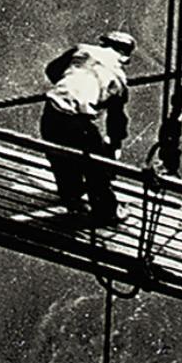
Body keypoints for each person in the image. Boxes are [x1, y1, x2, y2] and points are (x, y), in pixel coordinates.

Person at [39, 28, 135, 227]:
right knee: (97, 166)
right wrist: (115, 145)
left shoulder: (81, 50)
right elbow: (116, 122)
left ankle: (71, 196)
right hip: (77, 121)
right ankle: (107, 212)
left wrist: (72, 84)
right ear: (124, 58)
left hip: (52, 109)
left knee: (58, 156)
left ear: (103, 44)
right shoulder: (119, 80)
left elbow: (52, 70)